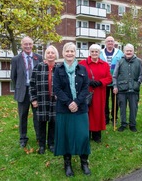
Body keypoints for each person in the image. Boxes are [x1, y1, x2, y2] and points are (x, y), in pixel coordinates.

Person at [53, 42, 91, 177]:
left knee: (83, 135)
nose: (70, 54)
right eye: (67, 51)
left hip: (80, 109)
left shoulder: (82, 69)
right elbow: (57, 89)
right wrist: (69, 103)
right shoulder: (58, 70)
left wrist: (76, 102)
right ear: (63, 53)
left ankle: (84, 162)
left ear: (76, 53)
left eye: (72, 51)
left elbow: (86, 88)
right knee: (66, 136)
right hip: (64, 109)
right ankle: (67, 164)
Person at [10, 36, 43, 148]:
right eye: (25, 44)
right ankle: (23, 138)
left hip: (36, 91)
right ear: (21, 45)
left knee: (37, 116)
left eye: (30, 44)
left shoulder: (39, 58)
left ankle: (40, 137)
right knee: (22, 116)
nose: (28, 46)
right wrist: (19, 88)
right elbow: (13, 77)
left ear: (33, 45)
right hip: (22, 92)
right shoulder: (16, 59)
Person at [79, 44, 112, 143]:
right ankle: (87, 134)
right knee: (87, 113)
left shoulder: (104, 64)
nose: (94, 53)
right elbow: (78, 76)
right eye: (92, 51)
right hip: (87, 92)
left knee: (98, 113)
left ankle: (97, 134)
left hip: (99, 92)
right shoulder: (82, 63)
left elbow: (109, 78)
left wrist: (101, 82)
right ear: (89, 52)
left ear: (99, 53)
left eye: (96, 51)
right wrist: (87, 81)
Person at [29, 45, 59, 154]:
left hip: (55, 100)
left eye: (52, 53)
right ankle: (41, 145)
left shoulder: (60, 68)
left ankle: (51, 144)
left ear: (56, 55)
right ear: (45, 55)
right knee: (41, 122)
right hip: (41, 100)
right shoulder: (38, 67)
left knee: (53, 122)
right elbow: (32, 84)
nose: (50, 55)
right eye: (48, 53)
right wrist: (33, 99)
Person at [113, 44, 142, 132]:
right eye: (127, 50)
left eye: (130, 50)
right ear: (124, 51)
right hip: (122, 89)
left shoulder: (139, 61)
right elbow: (115, 75)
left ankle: (132, 124)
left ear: (133, 51)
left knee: (133, 108)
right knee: (122, 107)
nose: (129, 52)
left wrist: (138, 83)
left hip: (134, 89)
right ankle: (123, 124)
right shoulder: (120, 61)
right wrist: (115, 86)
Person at [100, 36, 124, 125]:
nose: (110, 43)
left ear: (114, 43)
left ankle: (114, 118)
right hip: (104, 80)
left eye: (112, 41)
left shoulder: (119, 53)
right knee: (104, 100)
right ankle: (105, 118)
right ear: (105, 43)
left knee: (115, 100)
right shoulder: (100, 52)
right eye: (108, 41)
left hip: (115, 80)